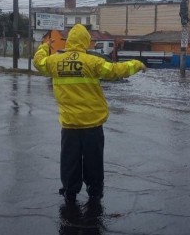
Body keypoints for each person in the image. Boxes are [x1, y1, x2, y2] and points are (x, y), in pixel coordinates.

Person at [33, 24, 146, 205]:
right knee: (93, 161)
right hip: (92, 124)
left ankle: (70, 192)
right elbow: (116, 71)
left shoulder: (55, 61)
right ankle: (95, 193)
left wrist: (45, 46)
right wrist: (137, 64)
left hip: (69, 124)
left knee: (69, 160)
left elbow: (39, 62)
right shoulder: (92, 61)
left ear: (69, 41)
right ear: (85, 41)